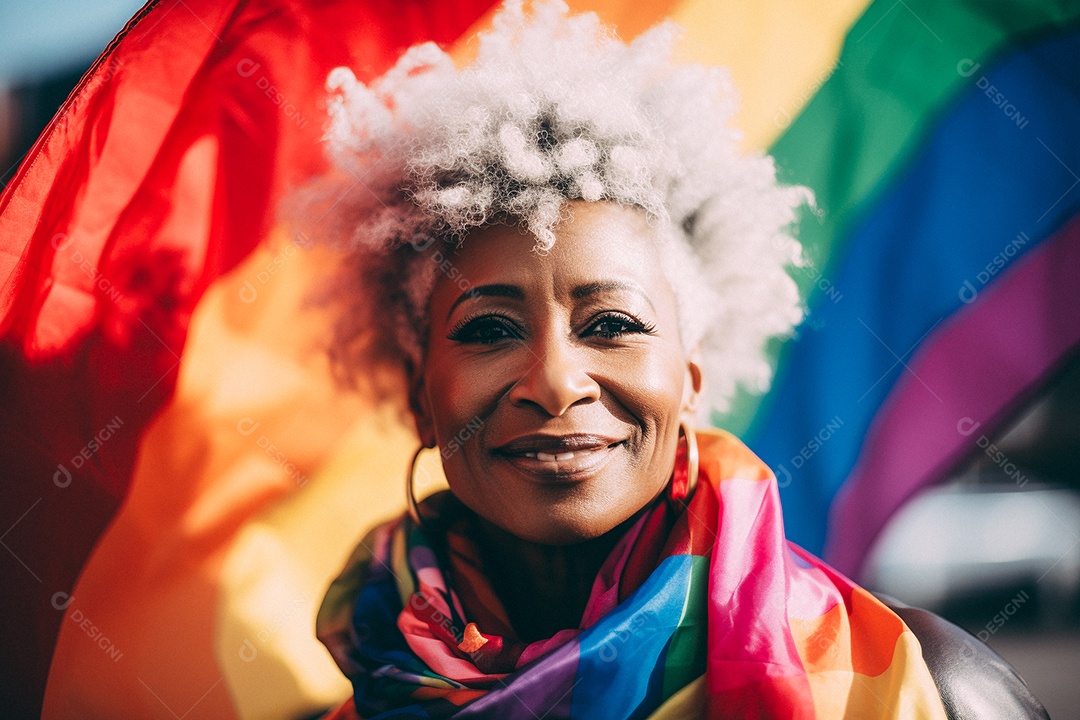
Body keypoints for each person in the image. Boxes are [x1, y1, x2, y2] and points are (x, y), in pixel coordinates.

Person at [293, 3, 1048, 718]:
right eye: (489, 330)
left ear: (690, 379)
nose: (555, 382)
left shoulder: (929, 692)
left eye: (612, 324)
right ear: (419, 395)